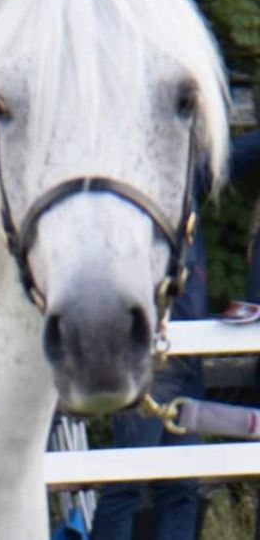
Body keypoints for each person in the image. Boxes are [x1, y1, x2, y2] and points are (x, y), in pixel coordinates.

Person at [91, 128, 260, 540]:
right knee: (127, 482)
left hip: (187, 358)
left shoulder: (184, 180)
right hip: (151, 358)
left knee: (182, 487)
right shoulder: (128, 196)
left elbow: (231, 159)